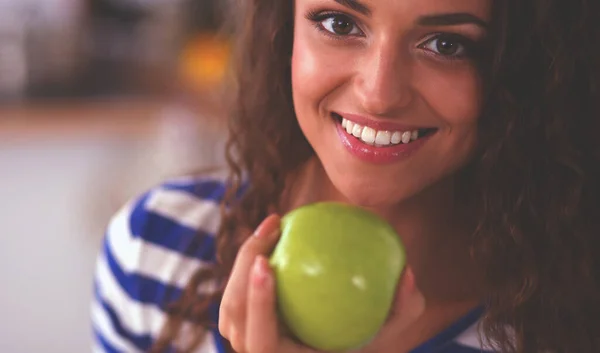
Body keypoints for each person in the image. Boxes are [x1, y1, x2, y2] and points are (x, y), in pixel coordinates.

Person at [91, 0, 600, 352]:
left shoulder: (566, 322)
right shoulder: (152, 253)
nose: (379, 93)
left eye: (446, 44)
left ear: (523, 72)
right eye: (339, 23)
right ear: (284, 30)